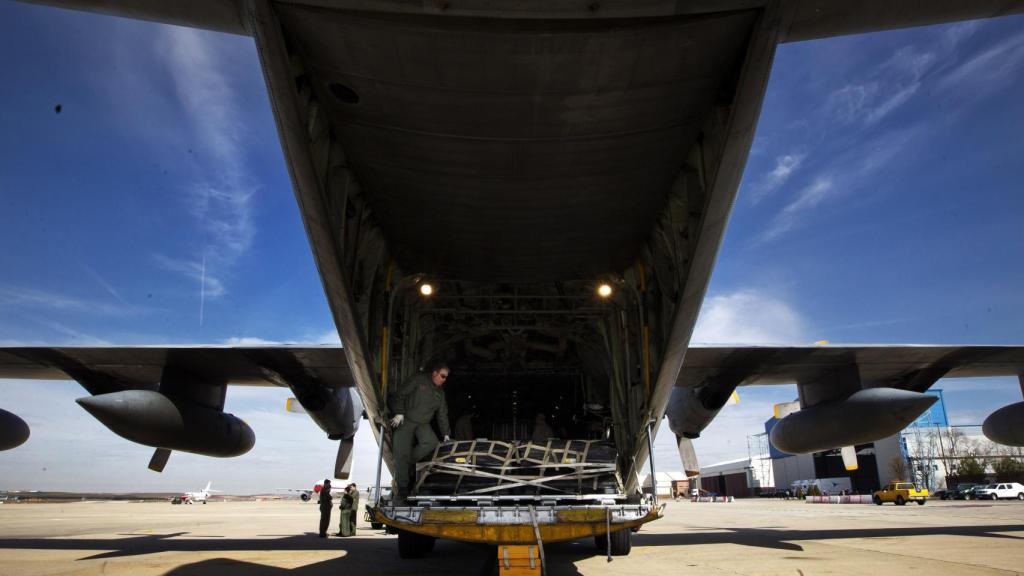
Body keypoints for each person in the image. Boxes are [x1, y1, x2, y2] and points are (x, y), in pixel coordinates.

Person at [388, 363, 452, 501]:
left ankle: (405, 463)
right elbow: (400, 394)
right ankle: (403, 488)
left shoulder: (440, 393)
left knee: (431, 442)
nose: (444, 380)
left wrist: (446, 433)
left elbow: (442, 414)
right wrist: (399, 412)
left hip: (423, 423)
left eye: (446, 377)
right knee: (401, 452)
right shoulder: (419, 380)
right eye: (442, 376)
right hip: (406, 419)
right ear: (435, 373)